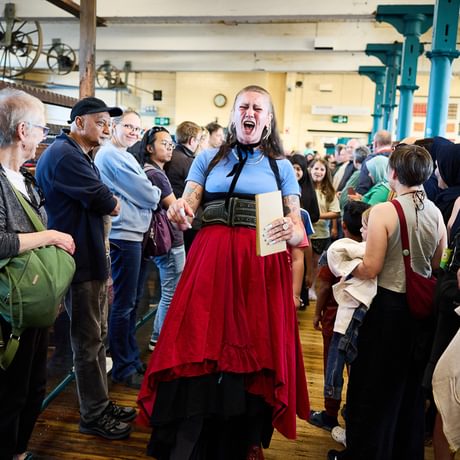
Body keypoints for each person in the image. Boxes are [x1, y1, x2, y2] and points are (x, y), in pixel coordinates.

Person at [137, 85, 309, 459]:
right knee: (198, 337)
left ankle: (248, 435)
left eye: (258, 108)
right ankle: (191, 429)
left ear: (268, 119)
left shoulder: (281, 166)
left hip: (260, 267)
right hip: (211, 259)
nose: (250, 112)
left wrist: (293, 230)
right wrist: (178, 211)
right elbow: (189, 202)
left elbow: (296, 223)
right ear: (234, 115)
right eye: (243, 106)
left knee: (255, 344)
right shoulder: (209, 158)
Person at [328, 144, 447, 460]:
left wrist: (345, 266)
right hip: (421, 312)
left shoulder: (384, 211)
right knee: (406, 390)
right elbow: (438, 262)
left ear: (393, 173)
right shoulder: (435, 211)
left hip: (387, 308)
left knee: (371, 386)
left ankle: (366, 452)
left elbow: (371, 266)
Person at [36, 97, 136, 440]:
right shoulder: (64, 155)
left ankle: (100, 403)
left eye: (109, 123)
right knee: (88, 341)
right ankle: (93, 415)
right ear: (79, 122)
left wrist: (108, 201)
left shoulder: (78, 154)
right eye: (101, 122)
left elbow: (104, 199)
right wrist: (110, 201)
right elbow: (107, 201)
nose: (107, 129)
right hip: (77, 264)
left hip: (90, 259)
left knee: (96, 337)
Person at [0, 88, 75, 460]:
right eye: (42, 129)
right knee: (10, 390)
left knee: (32, 385)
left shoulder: (24, 179)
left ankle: (19, 450)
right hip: (8, 308)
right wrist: (50, 236)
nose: (44, 137)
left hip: (32, 303)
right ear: (22, 131)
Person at [94, 110, 161, 389]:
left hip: (134, 234)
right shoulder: (110, 155)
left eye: (138, 128)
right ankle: (123, 365)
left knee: (130, 303)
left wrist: (150, 192)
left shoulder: (125, 155)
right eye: (129, 127)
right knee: (123, 305)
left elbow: (145, 190)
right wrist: (153, 194)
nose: (134, 132)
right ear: (114, 127)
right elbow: (149, 193)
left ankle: (130, 358)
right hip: (123, 236)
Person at [308, 201, 370, 434]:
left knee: (332, 367)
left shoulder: (335, 251)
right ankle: (354, 410)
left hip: (335, 318)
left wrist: (317, 313)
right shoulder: (371, 251)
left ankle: (330, 413)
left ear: (343, 225)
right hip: (362, 319)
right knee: (357, 367)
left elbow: (323, 285)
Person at [138, 126, 186, 351]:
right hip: (170, 240)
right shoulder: (156, 173)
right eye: (163, 143)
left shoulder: (149, 170)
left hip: (160, 239)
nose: (169, 148)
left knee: (169, 289)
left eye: (171, 144)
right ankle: (160, 338)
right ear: (149, 148)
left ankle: (160, 335)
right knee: (171, 291)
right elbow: (175, 208)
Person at [164, 121, 202, 252]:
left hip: (166, 216)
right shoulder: (189, 162)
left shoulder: (169, 156)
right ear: (192, 140)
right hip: (184, 220)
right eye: (198, 140)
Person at [310, 158, 341, 300]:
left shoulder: (329, 192)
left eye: (322, 169)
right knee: (302, 262)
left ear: (326, 172)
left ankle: (311, 288)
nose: (318, 172)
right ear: (310, 170)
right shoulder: (304, 188)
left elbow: (336, 212)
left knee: (316, 263)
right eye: (316, 168)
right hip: (304, 232)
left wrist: (317, 216)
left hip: (321, 233)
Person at [355, 129, 392, 195]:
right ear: (391, 143)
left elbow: (363, 187)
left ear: (375, 144)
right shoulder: (398, 158)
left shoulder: (370, 160)